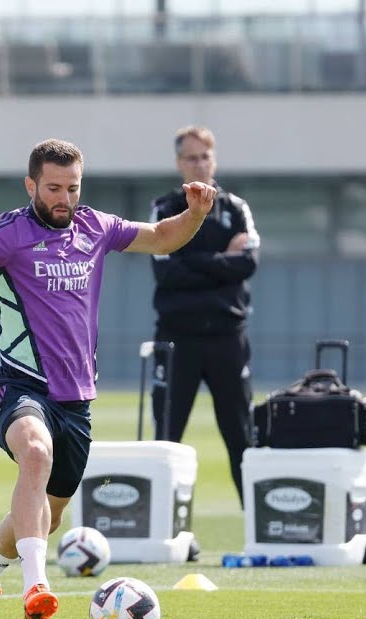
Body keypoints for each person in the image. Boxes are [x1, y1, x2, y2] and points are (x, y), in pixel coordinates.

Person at [0, 139, 215, 619]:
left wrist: (196, 213)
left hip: (76, 400)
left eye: (72, 188)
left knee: (42, 515)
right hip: (19, 385)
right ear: (31, 185)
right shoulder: (9, 232)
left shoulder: (95, 226)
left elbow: (160, 236)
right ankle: (36, 586)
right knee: (35, 453)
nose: (63, 198)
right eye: (53, 188)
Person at [148, 125, 260, 507]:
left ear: (214, 159)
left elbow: (247, 263)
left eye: (205, 156)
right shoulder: (164, 209)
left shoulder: (236, 208)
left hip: (228, 337)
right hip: (177, 339)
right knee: (166, 438)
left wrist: (193, 262)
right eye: (191, 157)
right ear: (180, 163)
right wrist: (222, 262)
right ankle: (158, 528)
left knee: (241, 436)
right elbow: (166, 271)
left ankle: (255, 528)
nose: (199, 164)